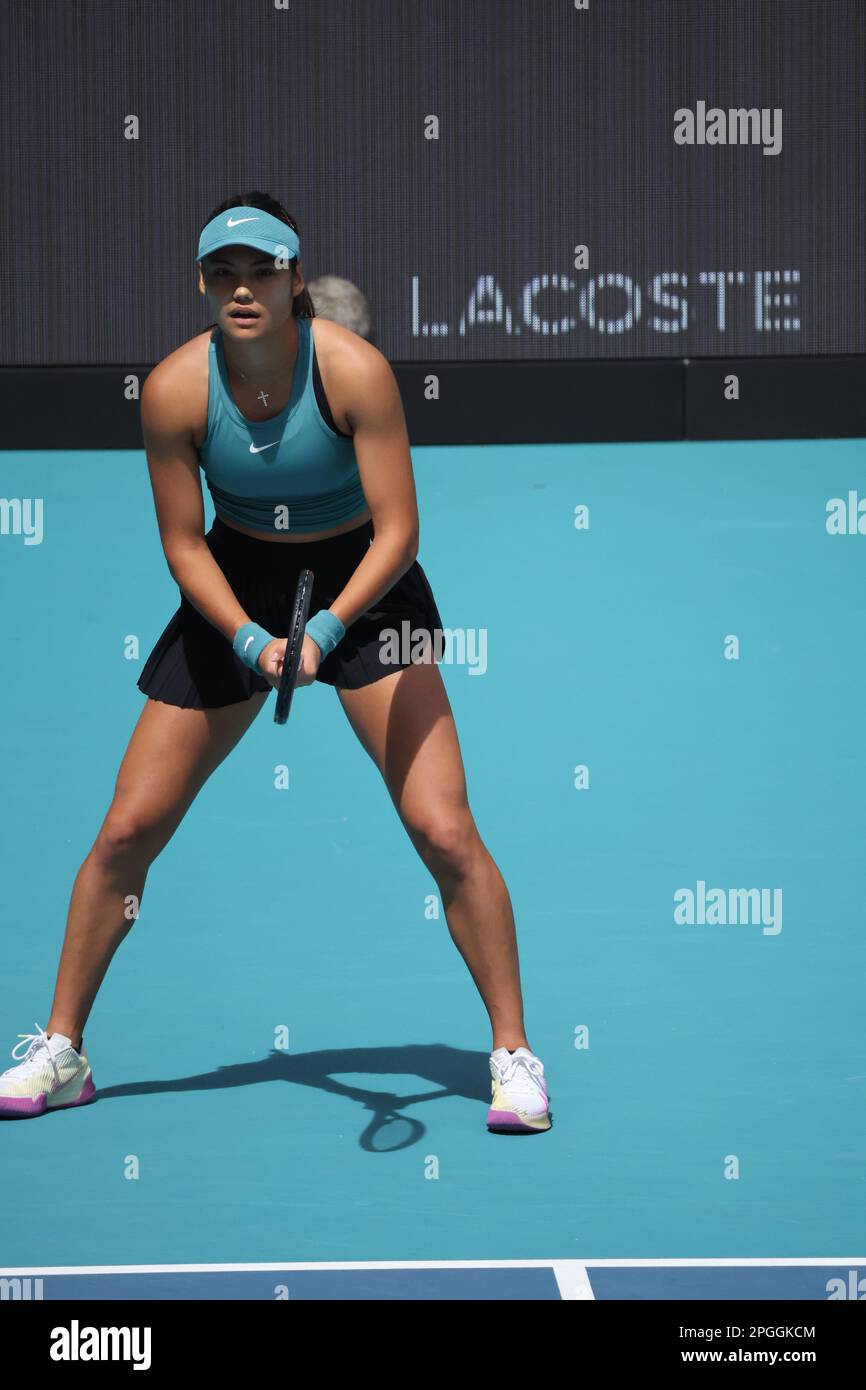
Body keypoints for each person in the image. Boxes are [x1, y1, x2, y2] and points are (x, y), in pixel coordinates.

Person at [0, 191, 550, 1135]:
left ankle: (512, 1056)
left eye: (262, 271)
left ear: (297, 279)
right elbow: (183, 544)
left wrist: (329, 630)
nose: (242, 289)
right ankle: (63, 1049)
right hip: (237, 584)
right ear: (202, 283)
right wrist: (253, 640)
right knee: (128, 829)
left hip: (367, 589)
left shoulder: (354, 373)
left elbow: (401, 531)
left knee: (445, 831)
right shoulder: (174, 390)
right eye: (224, 272)